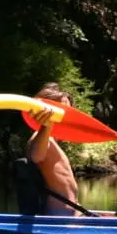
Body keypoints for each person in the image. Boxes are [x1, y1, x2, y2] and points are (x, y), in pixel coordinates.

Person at [28, 82, 81, 216]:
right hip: (59, 217)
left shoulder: (51, 140)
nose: (65, 117)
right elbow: (36, 156)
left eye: (68, 111)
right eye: (61, 111)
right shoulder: (40, 138)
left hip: (71, 215)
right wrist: (47, 126)